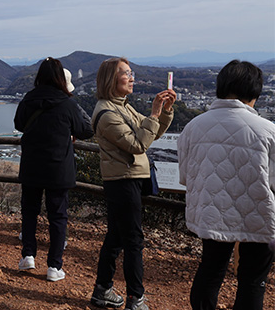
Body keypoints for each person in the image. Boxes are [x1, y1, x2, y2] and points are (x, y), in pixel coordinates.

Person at [177, 60, 275, 310]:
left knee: (210, 270)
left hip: (211, 212)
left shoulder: (192, 127)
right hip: (259, 215)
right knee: (253, 280)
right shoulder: (267, 130)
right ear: (254, 93)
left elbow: (185, 176)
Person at [90, 57, 175, 310]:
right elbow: (137, 145)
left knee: (116, 237)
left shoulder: (123, 107)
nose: (132, 77)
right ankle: (135, 299)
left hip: (130, 179)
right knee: (133, 240)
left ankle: (102, 290)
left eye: (131, 72)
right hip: (123, 181)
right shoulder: (106, 113)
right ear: (111, 80)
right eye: (127, 73)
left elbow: (151, 135)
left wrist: (165, 111)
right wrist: (154, 113)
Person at [14, 58, 93, 282]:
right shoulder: (67, 103)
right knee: (58, 216)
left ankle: (28, 255)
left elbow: (19, 124)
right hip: (59, 167)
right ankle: (54, 267)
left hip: (31, 166)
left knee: (29, 212)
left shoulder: (28, 99)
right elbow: (86, 130)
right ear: (61, 78)